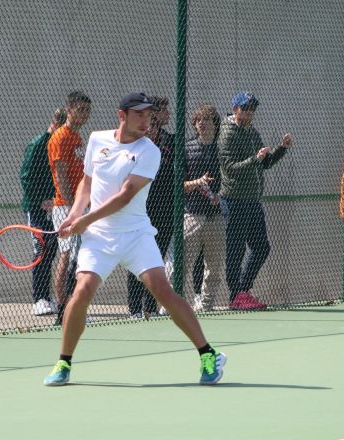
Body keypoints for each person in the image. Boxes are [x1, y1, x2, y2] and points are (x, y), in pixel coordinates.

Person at [43, 92, 227, 386]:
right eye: (139, 114)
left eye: (149, 115)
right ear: (122, 115)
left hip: (136, 234)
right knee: (82, 292)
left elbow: (126, 195)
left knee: (163, 291)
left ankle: (208, 354)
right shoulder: (96, 140)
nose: (146, 120)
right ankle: (64, 363)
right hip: (99, 237)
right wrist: (74, 211)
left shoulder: (149, 151)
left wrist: (84, 220)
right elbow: (87, 183)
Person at [218, 92, 293, 310]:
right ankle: (236, 297)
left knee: (261, 247)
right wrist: (254, 159)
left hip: (252, 201)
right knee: (236, 249)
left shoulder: (252, 132)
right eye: (245, 108)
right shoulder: (227, 133)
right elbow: (229, 167)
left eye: (252, 109)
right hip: (234, 200)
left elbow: (265, 163)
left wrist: (282, 149)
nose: (249, 112)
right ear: (235, 110)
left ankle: (242, 290)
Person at [127, 96, 175, 319]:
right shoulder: (136, 145)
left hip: (165, 211)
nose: (153, 127)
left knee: (156, 259)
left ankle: (151, 307)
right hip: (140, 211)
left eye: (156, 121)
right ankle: (135, 308)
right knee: (135, 258)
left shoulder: (171, 142)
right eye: (151, 121)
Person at [47, 91, 92, 325]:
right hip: (66, 207)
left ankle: (74, 307)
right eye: (81, 110)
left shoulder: (77, 138)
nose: (85, 115)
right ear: (70, 109)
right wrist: (72, 207)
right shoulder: (60, 138)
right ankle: (62, 309)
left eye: (87, 111)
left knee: (81, 258)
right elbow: (60, 174)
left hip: (80, 206)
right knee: (66, 256)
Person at [20, 107, 67, 316]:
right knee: (41, 251)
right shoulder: (38, 144)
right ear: (56, 123)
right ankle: (39, 299)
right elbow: (26, 176)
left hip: (56, 208)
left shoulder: (63, 143)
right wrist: (41, 200)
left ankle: (50, 299)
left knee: (54, 251)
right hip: (38, 210)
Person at [183, 104, 225, 311]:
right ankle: (173, 303)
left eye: (207, 120)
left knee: (214, 266)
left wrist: (221, 195)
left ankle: (206, 304)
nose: (203, 124)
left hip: (216, 216)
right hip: (192, 214)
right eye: (199, 121)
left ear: (215, 124)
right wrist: (197, 183)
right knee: (183, 263)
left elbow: (230, 179)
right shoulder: (187, 148)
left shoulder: (222, 149)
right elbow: (178, 184)